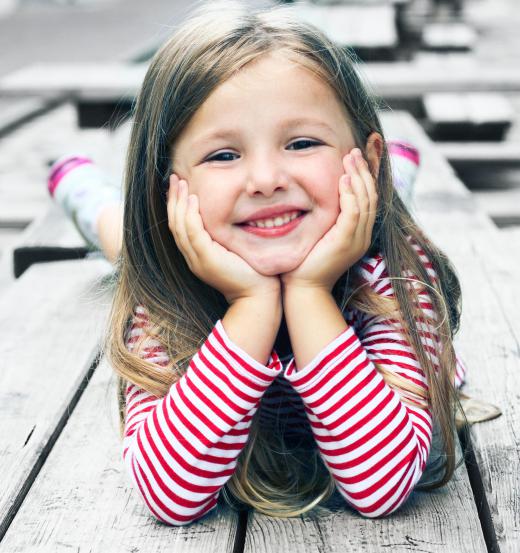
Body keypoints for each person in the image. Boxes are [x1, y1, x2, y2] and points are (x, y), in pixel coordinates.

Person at [47, 0, 471, 525]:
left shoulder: (399, 276)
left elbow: (382, 485)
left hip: (352, 215)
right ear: (163, 191)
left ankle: (396, 169)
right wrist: (251, 304)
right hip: (202, 236)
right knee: (121, 238)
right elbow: (169, 497)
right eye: (223, 155)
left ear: (365, 158)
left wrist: (310, 293)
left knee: (383, 203)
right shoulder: (163, 292)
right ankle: (77, 187)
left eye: (301, 142)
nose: (266, 178)